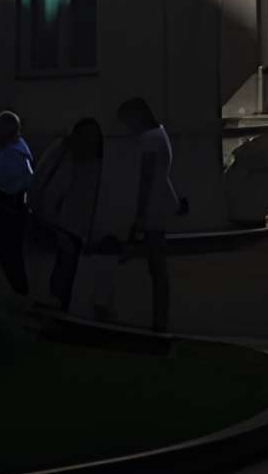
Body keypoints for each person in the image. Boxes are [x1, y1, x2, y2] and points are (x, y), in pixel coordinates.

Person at [121, 96, 186, 335]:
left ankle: (160, 322)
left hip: (153, 209)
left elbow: (146, 179)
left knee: (156, 266)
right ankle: (160, 319)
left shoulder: (149, 139)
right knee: (156, 266)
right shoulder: (160, 134)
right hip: (160, 205)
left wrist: (138, 213)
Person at [33, 117, 105, 312]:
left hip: (73, 228)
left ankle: (62, 304)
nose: (89, 144)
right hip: (56, 225)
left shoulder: (95, 165)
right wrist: (58, 230)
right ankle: (56, 302)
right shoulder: (64, 156)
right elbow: (46, 194)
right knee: (65, 259)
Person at [0, 109, 34, 296]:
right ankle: (19, 292)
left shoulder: (9, 155)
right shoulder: (22, 148)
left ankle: (19, 294)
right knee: (14, 257)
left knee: (10, 257)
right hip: (18, 209)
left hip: (8, 210)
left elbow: (5, 186)